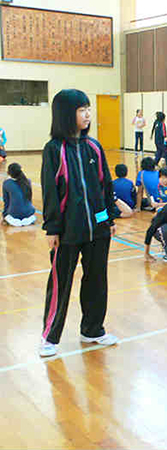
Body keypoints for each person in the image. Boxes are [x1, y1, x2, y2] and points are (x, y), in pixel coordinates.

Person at [39, 89, 119, 358]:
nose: (88, 114)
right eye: (82, 109)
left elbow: (104, 186)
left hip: (97, 229)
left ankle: (92, 329)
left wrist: (107, 218)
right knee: (61, 283)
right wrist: (52, 228)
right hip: (67, 231)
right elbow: (51, 192)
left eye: (88, 108)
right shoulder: (53, 150)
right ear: (65, 114)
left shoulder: (93, 147)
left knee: (97, 279)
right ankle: (50, 336)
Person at [2, 162, 36, 227]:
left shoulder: (7, 183)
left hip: (14, 215)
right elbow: (29, 199)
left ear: (9, 173)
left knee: (8, 217)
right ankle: (28, 220)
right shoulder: (28, 181)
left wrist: (4, 215)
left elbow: (6, 202)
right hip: (29, 213)